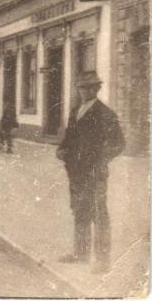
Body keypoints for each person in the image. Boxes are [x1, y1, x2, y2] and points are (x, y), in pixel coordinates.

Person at [56, 72, 124, 274]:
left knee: (99, 214)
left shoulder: (105, 113)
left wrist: (100, 160)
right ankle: (80, 254)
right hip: (75, 171)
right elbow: (69, 138)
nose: (84, 91)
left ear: (96, 89)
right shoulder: (76, 111)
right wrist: (61, 149)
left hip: (95, 173)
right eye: (81, 87)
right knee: (79, 209)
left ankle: (103, 262)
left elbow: (118, 144)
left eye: (88, 87)